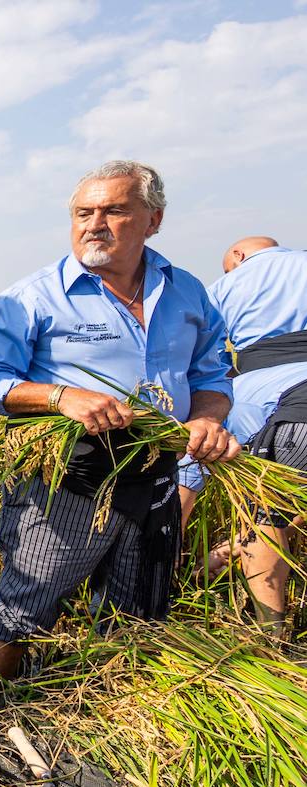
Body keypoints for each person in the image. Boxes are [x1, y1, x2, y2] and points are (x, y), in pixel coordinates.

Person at [0, 160, 240, 696]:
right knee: (26, 601)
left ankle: (114, 719)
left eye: (115, 210)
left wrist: (206, 418)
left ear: (152, 220)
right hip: (68, 479)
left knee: (139, 610)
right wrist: (61, 396)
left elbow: (210, 372)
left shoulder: (187, 293)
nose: (95, 223)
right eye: (84, 212)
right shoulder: (36, 295)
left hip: (157, 474)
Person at [178, 237, 307, 633]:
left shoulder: (224, 289)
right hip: (292, 402)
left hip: (292, 403)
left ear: (237, 256)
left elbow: (204, 363)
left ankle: (273, 638)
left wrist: (164, 546)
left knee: (265, 513)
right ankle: (230, 552)